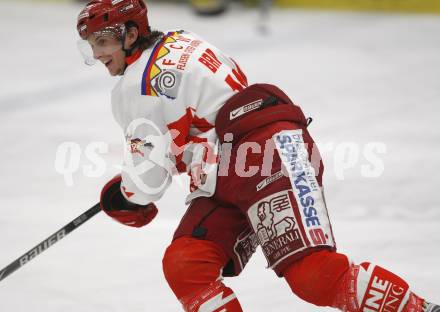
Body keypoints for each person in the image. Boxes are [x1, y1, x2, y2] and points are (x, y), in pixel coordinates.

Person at [77, 1, 438, 311]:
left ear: (130, 34)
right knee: (187, 262)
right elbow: (197, 124)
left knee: (313, 275)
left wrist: (126, 196)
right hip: (240, 164)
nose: (97, 54)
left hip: (264, 155)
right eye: (91, 45)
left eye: (104, 42)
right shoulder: (179, 40)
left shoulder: (134, 87)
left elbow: (147, 182)